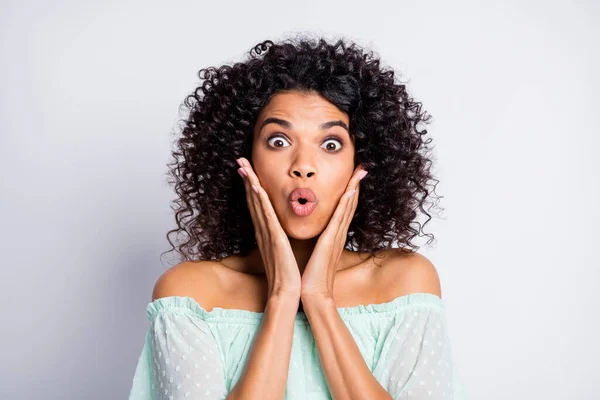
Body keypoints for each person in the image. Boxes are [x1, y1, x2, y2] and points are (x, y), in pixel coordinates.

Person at [128, 35, 467, 400]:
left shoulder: (405, 282)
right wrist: (281, 296)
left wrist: (319, 298)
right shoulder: (192, 295)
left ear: (362, 164)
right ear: (244, 159)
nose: (303, 166)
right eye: (278, 141)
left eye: (331, 144)